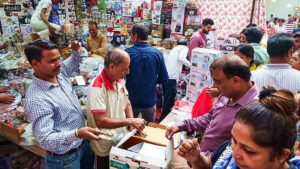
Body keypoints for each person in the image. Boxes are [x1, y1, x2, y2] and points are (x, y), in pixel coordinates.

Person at [178, 86, 300, 169]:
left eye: (249, 151)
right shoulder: (229, 148)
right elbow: (209, 164)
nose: (236, 153)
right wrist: (197, 158)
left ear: (282, 155)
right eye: (234, 140)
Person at [24, 39, 99, 169]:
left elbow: (76, 60)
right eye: (53, 61)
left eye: (59, 58)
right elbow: (46, 140)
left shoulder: (59, 74)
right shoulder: (37, 99)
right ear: (35, 64)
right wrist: (77, 133)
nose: (59, 63)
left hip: (81, 146)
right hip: (64, 159)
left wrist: (76, 50)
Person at [166, 55, 259, 155]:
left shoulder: (254, 111)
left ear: (236, 81)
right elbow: (209, 118)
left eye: (217, 82)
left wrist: (201, 159)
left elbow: (236, 155)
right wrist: (181, 125)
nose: (214, 86)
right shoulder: (227, 95)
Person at [86, 48, 146, 169]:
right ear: (112, 66)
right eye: (124, 69)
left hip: (119, 138)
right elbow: (100, 121)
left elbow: (127, 102)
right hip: (103, 144)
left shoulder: (120, 80)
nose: (128, 72)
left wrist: (133, 124)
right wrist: (130, 121)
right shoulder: (97, 87)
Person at [125, 23, 168, 122]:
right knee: (149, 130)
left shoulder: (127, 53)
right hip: (149, 100)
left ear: (135, 36)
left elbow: (120, 77)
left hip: (131, 101)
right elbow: (164, 78)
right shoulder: (158, 54)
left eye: (131, 35)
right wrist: (151, 81)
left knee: (130, 129)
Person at [160, 40, 191, 123]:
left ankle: (162, 119)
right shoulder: (184, 48)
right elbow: (182, 58)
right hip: (172, 78)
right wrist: (192, 66)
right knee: (169, 101)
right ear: (187, 44)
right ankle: (163, 121)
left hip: (167, 76)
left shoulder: (175, 49)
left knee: (166, 100)